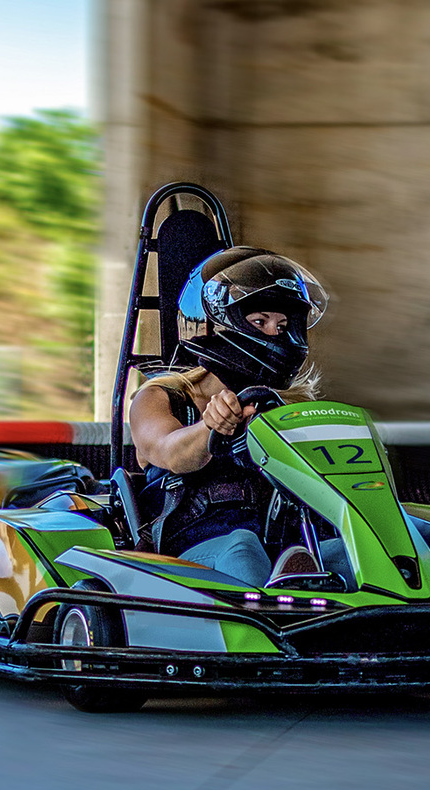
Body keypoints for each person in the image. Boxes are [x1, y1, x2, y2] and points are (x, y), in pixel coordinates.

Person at [129, 246, 328, 586]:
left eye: (282, 325)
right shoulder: (160, 397)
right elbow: (171, 452)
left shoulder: (289, 406)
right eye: (259, 321)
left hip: (286, 544)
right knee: (242, 547)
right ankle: (268, 627)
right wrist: (211, 427)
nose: (273, 334)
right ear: (217, 325)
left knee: (356, 546)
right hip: (191, 548)